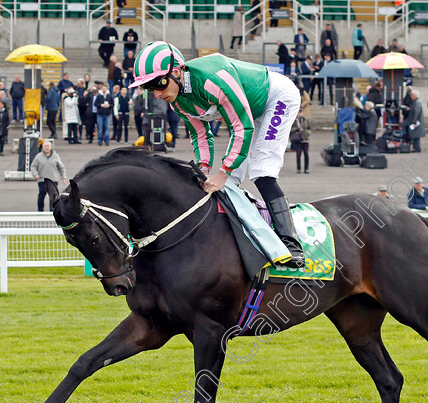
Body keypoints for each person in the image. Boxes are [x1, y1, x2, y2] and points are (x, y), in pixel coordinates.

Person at [129, 41, 305, 267]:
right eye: (149, 87)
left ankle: (291, 243)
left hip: (277, 98)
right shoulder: (178, 102)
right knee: (230, 181)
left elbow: (242, 128)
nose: (156, 93)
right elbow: (201, 136)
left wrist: (221, 173)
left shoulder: (214, 81)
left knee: (262, 170)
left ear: (176, 72)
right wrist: (203, 169)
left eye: (159, 83)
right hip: (250, 111)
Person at [30, 141, 67, 212]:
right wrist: (35, 174)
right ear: (42, 147)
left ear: (51, 147)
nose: (46, 147)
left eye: (48, 146)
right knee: (42, 194)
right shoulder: (38, 156)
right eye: (45, 146)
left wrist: (63, 177)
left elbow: (61, 167)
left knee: (53, 196)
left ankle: (52, 210)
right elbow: (33, 166)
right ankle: (40, 210)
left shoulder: (56, 156)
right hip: (42, 179)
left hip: (53, 179)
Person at [290, 108, 310, 174]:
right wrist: (296, 129)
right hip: (298, 139)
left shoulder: (305, 120)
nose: (299, 114)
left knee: (306, 154)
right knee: (298, 154)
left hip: (305, 139)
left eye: (301, 112)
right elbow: (290, 130)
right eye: (298, 112)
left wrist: (307, 133)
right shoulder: (294, 121)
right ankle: (298, 168)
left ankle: (306, 168)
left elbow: (309, 128)